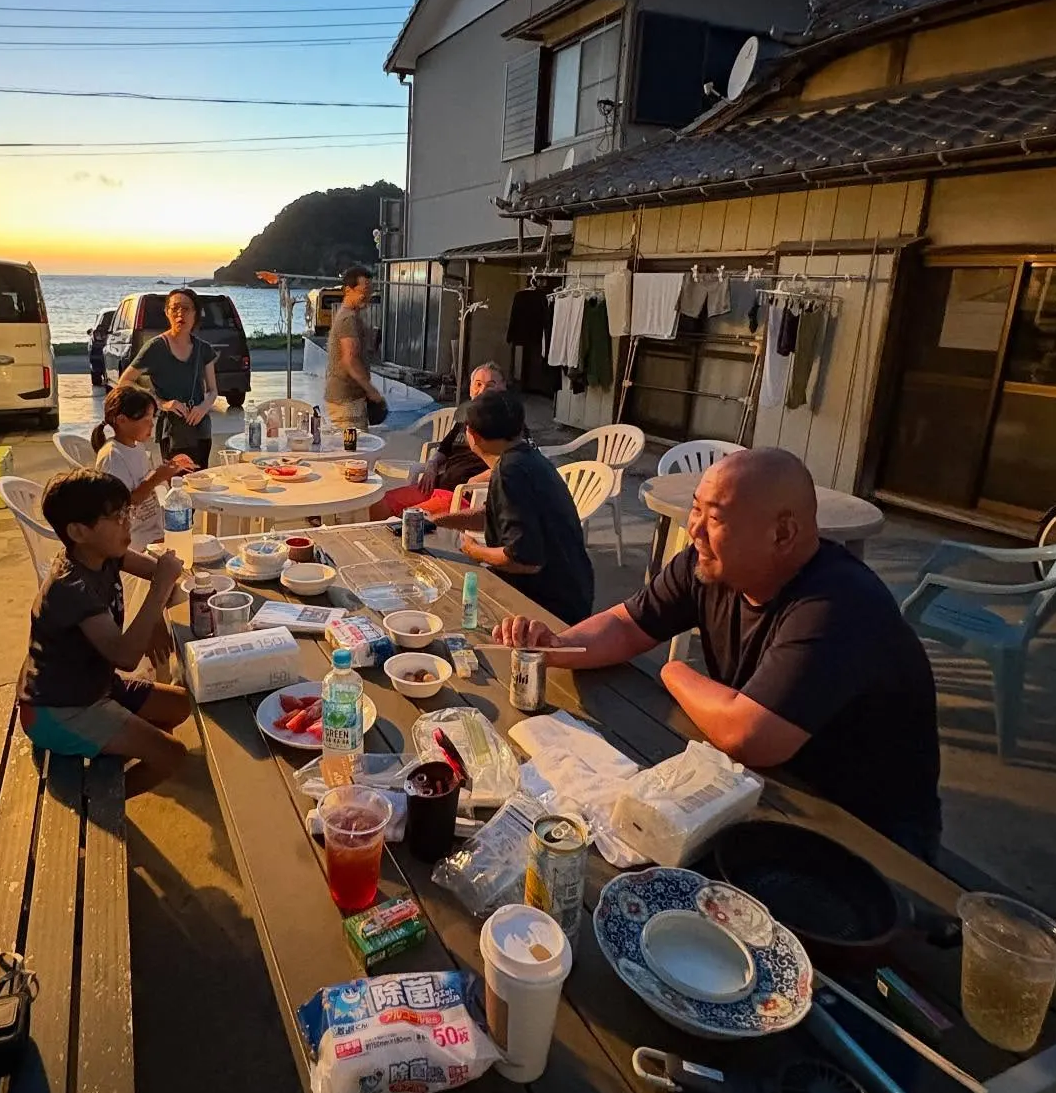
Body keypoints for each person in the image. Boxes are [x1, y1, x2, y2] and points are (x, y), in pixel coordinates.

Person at [492, 447, 942, 857]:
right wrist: (554, 646)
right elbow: (628, 625)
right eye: (695, 509)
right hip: (762, 792)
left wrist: (674, 673)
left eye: (716, 517)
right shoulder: (706, 566)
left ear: (783, 534)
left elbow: (749, 735)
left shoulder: (839, 605)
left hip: (869, 837)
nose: (694, 529)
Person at [17, 469, 190, 792]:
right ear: (78, 531)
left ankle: (117, 748)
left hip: (95, 686)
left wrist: (154, 615)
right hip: (59, 709)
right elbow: (126, 656)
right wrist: (159, 591)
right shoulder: (71, 587)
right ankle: (92, 804)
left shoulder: (105, 554)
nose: (128, 522)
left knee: (181, 704)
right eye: (115, 517)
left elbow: (160, 573)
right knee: (174, 756)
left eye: (127, 511)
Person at [449, 386, 594, 625]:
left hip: (550, 607)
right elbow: (496, 514)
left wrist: (475, 551)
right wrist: (440, 521)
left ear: (472, 436)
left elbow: (525, 561)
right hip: (574, 589)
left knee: (458, 605)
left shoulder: (510, 472)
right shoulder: (526, 456)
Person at [380, 362, 505, 521]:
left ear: (502, 388)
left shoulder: (507, 422)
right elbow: (443, 449)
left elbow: (511, 465)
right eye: (478, 384)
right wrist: (431, 466)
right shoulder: (465, 416)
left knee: (407, 521)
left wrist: (474, 481)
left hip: (462, 497)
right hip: (436, 486)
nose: (482, 391)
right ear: (471, 388)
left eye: (490, 386)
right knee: (381, 503)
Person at [117, 287, 219, 468]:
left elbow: (212, 391)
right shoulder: (156, 347)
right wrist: (162, 403)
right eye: (175, 308)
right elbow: (124, 382)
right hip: (172, 430)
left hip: (201, 428)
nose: (180, 313)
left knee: (201, 480)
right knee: (178, 484)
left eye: (186, 308)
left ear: (196, 313)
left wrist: (203, 407)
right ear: (167, 312)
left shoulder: (204, 349)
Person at [90, 384, 195, 550]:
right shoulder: (113, 457)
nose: (152, 426)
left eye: (152, 419)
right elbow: (124, 503)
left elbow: (143, 481)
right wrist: (157, 477)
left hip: (153, 530)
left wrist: (170, 469)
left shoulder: (136, 446)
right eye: (146, 420)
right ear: (122, 421)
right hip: (132, 542)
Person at [324, 266, 384, 434]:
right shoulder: (348, 319)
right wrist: (372, 391)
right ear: (347, 290)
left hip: (350, 397)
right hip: (346, 399)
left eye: (370, 290)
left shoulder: (350, 316)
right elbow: (350, 360)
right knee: (354, 451)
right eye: (364, 290)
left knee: (353, 449)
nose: (368, 295)